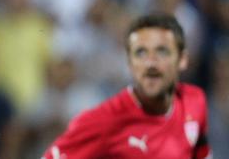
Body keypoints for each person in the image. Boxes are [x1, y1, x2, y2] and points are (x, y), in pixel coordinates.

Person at [42, 13, 212, 159]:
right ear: (130, 63)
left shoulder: (194, 100)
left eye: (162, 51)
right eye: (141, 53)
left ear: (182, 59)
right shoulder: (104, 119)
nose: (151, 63)